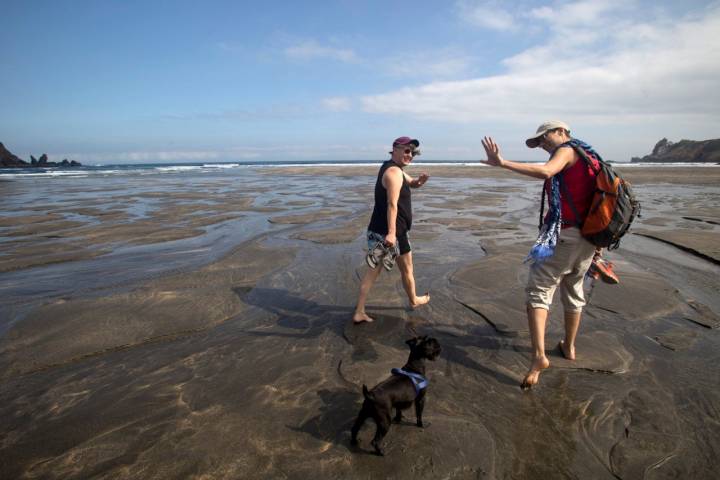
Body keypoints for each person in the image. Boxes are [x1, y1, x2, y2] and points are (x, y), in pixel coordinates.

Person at [482, 121, 602, 388]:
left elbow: (546, 171)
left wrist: (503, 163)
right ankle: (569, 347)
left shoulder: (568, 151)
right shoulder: (589, 155)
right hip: (589, 236)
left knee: (538, 290)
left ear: (561, 131)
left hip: (568, 235)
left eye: (544, 138)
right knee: (573, 288)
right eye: (538, 143)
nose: (543, 145)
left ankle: (539, 357)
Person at [352, 136, 431, 324]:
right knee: (387, 272)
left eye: (412, 152)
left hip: (386, 231)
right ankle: (361, 311)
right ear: (394, 149)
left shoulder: (394, 168)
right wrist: (392, 233)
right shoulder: (394, 173)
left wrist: (419, 181)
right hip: (390, 234)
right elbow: (392, 205)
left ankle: (411, 300)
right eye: (406, 150)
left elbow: (410, 182)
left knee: (389, 270)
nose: (409, 154)